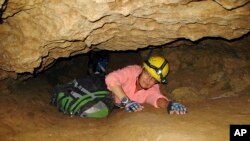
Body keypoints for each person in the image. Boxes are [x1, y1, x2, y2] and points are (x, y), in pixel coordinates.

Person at [105, 55, 187, 115]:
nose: (148, 80)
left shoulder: (153, 89)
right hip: (107, 96)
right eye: (147, 74)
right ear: (142, 69)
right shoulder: (132, 71)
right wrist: (127, 101)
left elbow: (157, 99)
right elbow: (111, 78)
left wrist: (169, 104)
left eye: (154, 79)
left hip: (117, 109)